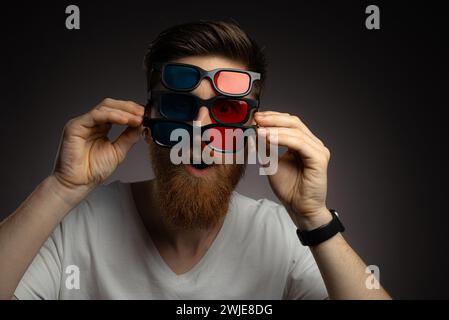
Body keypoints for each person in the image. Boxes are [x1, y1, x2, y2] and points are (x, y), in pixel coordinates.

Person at [0, 20, 390, 300]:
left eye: (227, 111)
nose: (199, 130)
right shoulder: (75, 224)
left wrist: (314, 218)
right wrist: (61, 188)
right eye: (178, 105)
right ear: (148, 118)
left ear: (253, 130)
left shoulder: (285, 237)